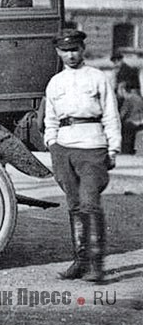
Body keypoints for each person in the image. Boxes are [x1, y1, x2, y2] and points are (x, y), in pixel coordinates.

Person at [44, 29, 121, 282]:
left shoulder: (97, 78)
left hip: (92, 147)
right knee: (75, 205)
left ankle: (96, 264)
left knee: (89, 203)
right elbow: (50, 119)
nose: (71, 55)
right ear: (58, 52)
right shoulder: (55, 82)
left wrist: (113, 148)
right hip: (64, 149)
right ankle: (80, 260)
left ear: (83, 49)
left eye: (75, 49)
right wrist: (53, 145)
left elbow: (111, 114)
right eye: (65, 51)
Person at [117, 80, 143, 155]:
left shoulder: (128, 100)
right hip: (140, 121)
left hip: (133, 122)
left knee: (123, 130)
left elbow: (122, 114)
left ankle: (126, 151)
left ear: (123, 90)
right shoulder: (138, 97)